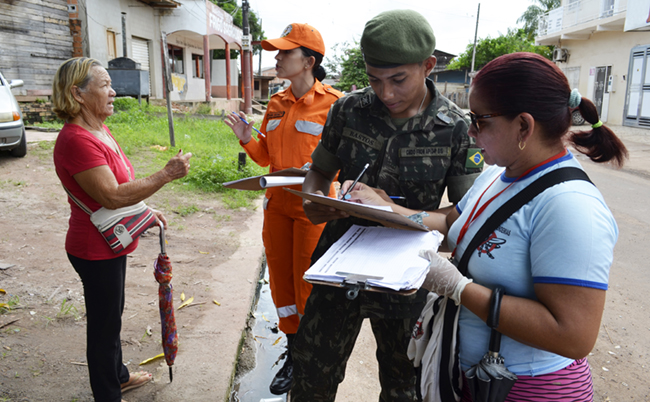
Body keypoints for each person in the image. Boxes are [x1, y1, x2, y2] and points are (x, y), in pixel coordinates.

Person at [346, 52, 626, 401]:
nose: (471, 130)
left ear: (524, 126)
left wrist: (459, 288)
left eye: (480, 121)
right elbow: (454, 224)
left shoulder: (570, 207)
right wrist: (386, 208)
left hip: (528, 388)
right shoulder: (498, 174)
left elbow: (573, 336)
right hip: (475, 378)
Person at [292, 10, 483, 401]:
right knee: (311, 375)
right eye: (374, 80)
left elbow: (466, 215)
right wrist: (317, 201)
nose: (386, 93)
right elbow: (319, 173)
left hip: (407, 277)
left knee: (404, 386)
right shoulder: (348, 111)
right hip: (338, 267)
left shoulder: (455, 127)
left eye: (398, 79)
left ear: (428, 66)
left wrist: (398, 214)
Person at [51, 57, 192, 402]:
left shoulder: (98, 128)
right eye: (104, 86)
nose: (114, 92)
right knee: (104, 328)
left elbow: (119, 185)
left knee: (111, 317)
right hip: (93, 248)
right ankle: (108, 393)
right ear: (78, 94)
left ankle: (118, 376)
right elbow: (111, 196)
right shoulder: (76, 140)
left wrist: (145, 212)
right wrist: (164, 175)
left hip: (109, 243)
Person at [224, 23, 343, 395]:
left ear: (308, 61)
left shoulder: (335, 105)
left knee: (308, 284)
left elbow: (343, 159)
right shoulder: (276, 103)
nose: (276, 58)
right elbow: (266, 158)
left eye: (284, 53)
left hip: (314, 208)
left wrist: (322, 172)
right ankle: (293, 353)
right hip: (277, 207)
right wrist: (247, 139)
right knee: (282, 283)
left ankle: (309, 357)